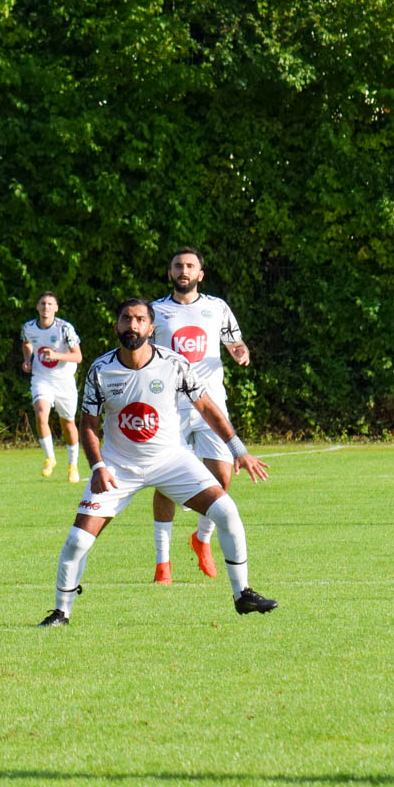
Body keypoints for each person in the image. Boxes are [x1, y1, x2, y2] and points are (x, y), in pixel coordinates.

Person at [38, 299, 276, 627]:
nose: (132, 325)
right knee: (78, 540)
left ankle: (242, 594)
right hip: (118, 468)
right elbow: (88, 425)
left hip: (170, 460)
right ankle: (60, 613)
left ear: (152, 328)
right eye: (126, 319)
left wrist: (238, 449)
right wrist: (97, 467)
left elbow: (207, 407)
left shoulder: (174, 364)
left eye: (140, 320)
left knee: (226, 511)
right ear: (116, 326)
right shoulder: (101, 369)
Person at [147, 248, 252, 585]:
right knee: (166, 483)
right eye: (178, 265)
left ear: (200, 274)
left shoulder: (216, 307)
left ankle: (201, 539)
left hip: (210, 404)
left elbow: (235, 342)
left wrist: (240, 351)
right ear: (170, 272)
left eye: (190, 266)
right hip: (169, 406)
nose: (184, 270)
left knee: (222, 477)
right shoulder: (155, 311)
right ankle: (163, 563)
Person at [20, 292, 83, 482]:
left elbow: (78, 356)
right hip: (42, 378)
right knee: (40, 413)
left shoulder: (65, 328)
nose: (46, 307)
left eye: (50, 304)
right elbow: (27, 343)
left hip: (64, 381)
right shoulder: (29, 327)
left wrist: (57, 356)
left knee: (68, 424)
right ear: (37, 307)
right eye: (42, 303)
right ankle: (50, 458)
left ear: (56, 308)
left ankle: (73, 465)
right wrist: (27, 359)